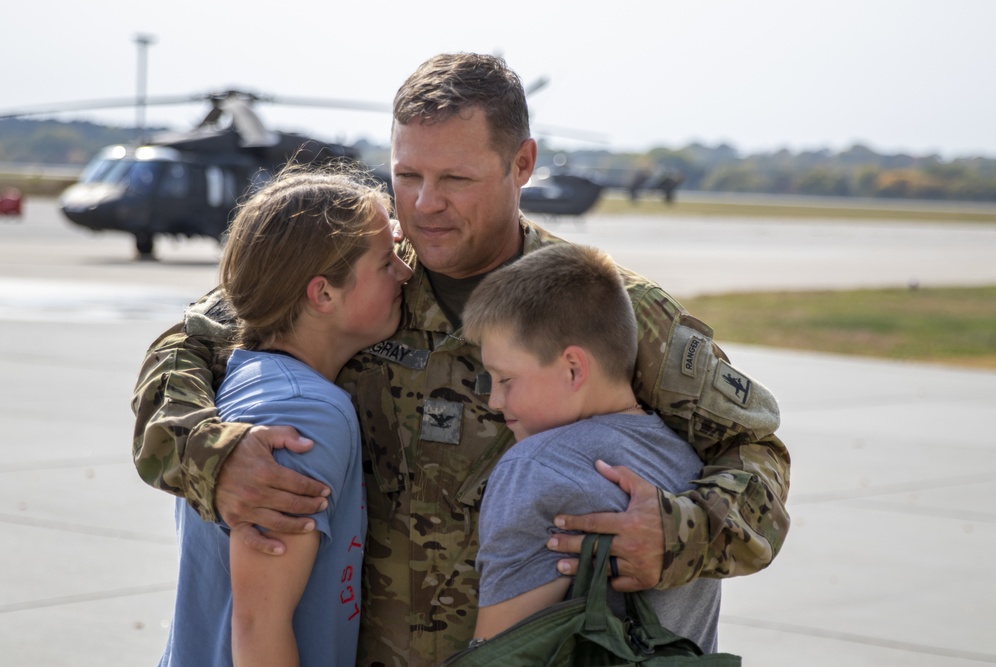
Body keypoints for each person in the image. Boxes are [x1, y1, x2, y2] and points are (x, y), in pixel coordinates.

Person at [132, 52, 791, 666]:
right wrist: (210, 454)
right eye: (407, 175)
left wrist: (676, 534)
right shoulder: (355, 274)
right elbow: (182, 349)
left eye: (456, 178)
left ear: (521, 163)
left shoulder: (596, 304)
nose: (423, 205)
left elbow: (756, 455)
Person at [156, 165, 412, 667]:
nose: (405, 273)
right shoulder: (304, 415)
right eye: (386, 264)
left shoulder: (246, 374)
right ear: (323, 294)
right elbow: (258, 631)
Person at [463, 243, 721, 653]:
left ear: (573, 368)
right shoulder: (685, 456)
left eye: (506, 380)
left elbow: (498, 655)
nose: (494, 401)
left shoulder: (537, 467)